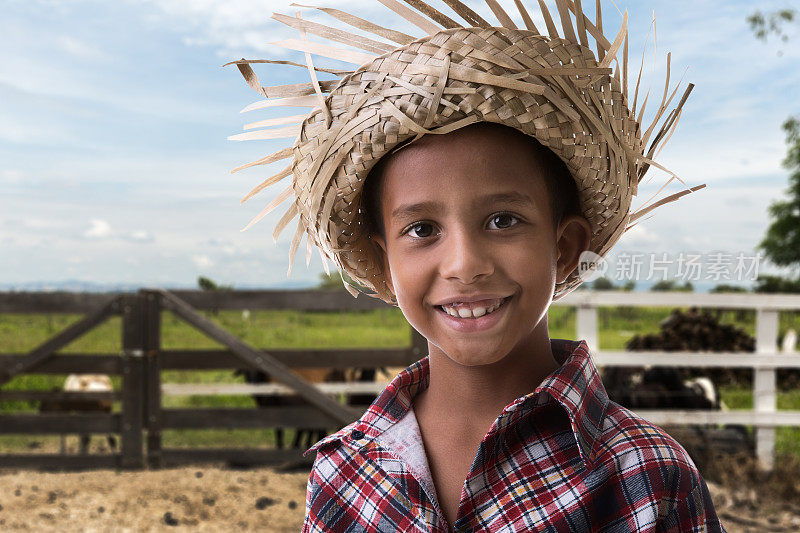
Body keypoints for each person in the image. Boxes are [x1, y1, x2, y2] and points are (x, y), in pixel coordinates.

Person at [227, 1, 723, 531]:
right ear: (383, 262)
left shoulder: (647, 478)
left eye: (503, 220)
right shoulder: (345, 476)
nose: (465, 264)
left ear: (565, 245)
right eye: (421, 230)